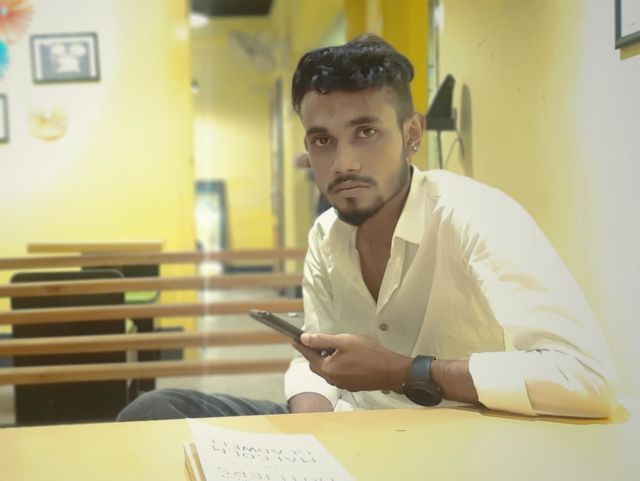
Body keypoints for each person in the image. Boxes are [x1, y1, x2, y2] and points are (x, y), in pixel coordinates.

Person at [117, 34, 616, 422]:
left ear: (411, 134)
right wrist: (310, 432)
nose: (344, 163)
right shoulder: (326, 236)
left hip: (455, 438)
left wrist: (405, 372)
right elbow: (316, 360)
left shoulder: (476, 215)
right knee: (155, 410)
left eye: (365, 132)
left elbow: (586, 377)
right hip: (351, 430)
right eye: (322, 140)